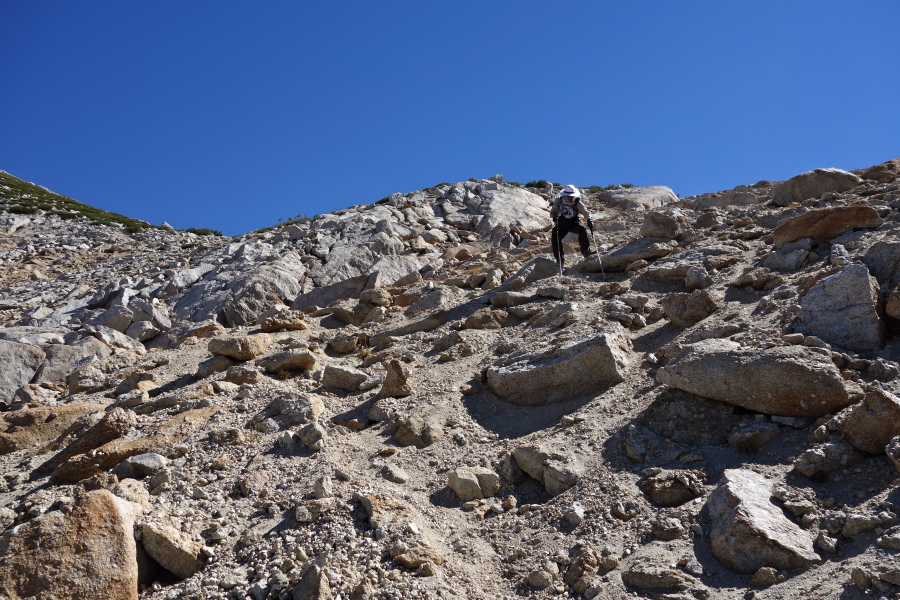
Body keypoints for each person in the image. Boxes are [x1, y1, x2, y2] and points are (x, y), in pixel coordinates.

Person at [550, 184, 595, 266]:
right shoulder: (558, 200)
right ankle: (560, 259)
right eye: (568, 196)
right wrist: (554, 216)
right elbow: (553, 211)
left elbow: (586, 212)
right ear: (565, 195)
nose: (570, 198)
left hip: (572, 223)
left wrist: (589, 220)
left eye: (572, 196)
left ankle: (586, 252)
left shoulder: (577, 202)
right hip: (561, 224)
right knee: (555, 235)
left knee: (581, 228)